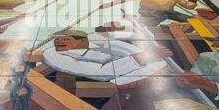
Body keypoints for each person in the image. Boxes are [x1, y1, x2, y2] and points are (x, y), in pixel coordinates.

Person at [42, 30, 173, 86]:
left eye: (65, 39)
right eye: (56, 40)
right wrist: (142, 57)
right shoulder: (54, 55)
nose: (58, 42)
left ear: (82, 40)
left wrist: (139, 34)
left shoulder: (93, 38)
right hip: (112, 82)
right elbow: (101, 73)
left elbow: (117, 35)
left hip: (153, 66)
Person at [134, 0, 198, 27]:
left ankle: (141, 26)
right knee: (191, 20)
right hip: (162, 12)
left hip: (145, 10)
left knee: (146, 22)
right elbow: (189, 6)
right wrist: (193, 1)